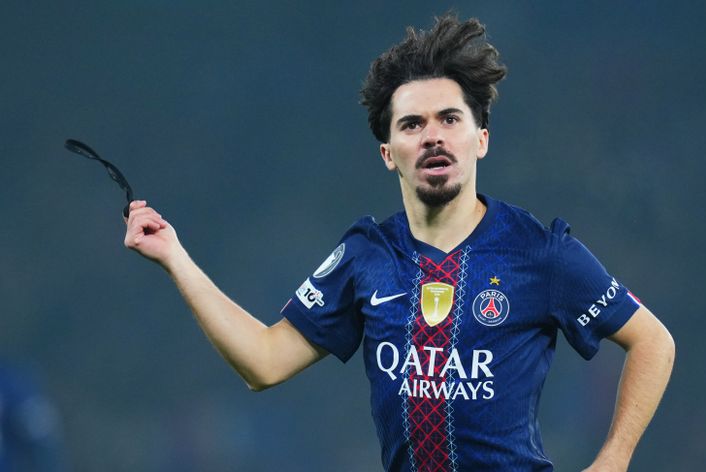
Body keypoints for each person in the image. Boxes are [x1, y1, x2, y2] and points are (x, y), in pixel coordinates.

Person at [124, 14, 675, 472]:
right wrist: (176, 257)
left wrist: (614, 458)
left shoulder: (538, 251)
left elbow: (654, 342)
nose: (432, 134)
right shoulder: (367, 254)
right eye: (411, 124)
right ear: (389, 152)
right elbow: (264, 362)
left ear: (480, 140)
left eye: (450, 119)